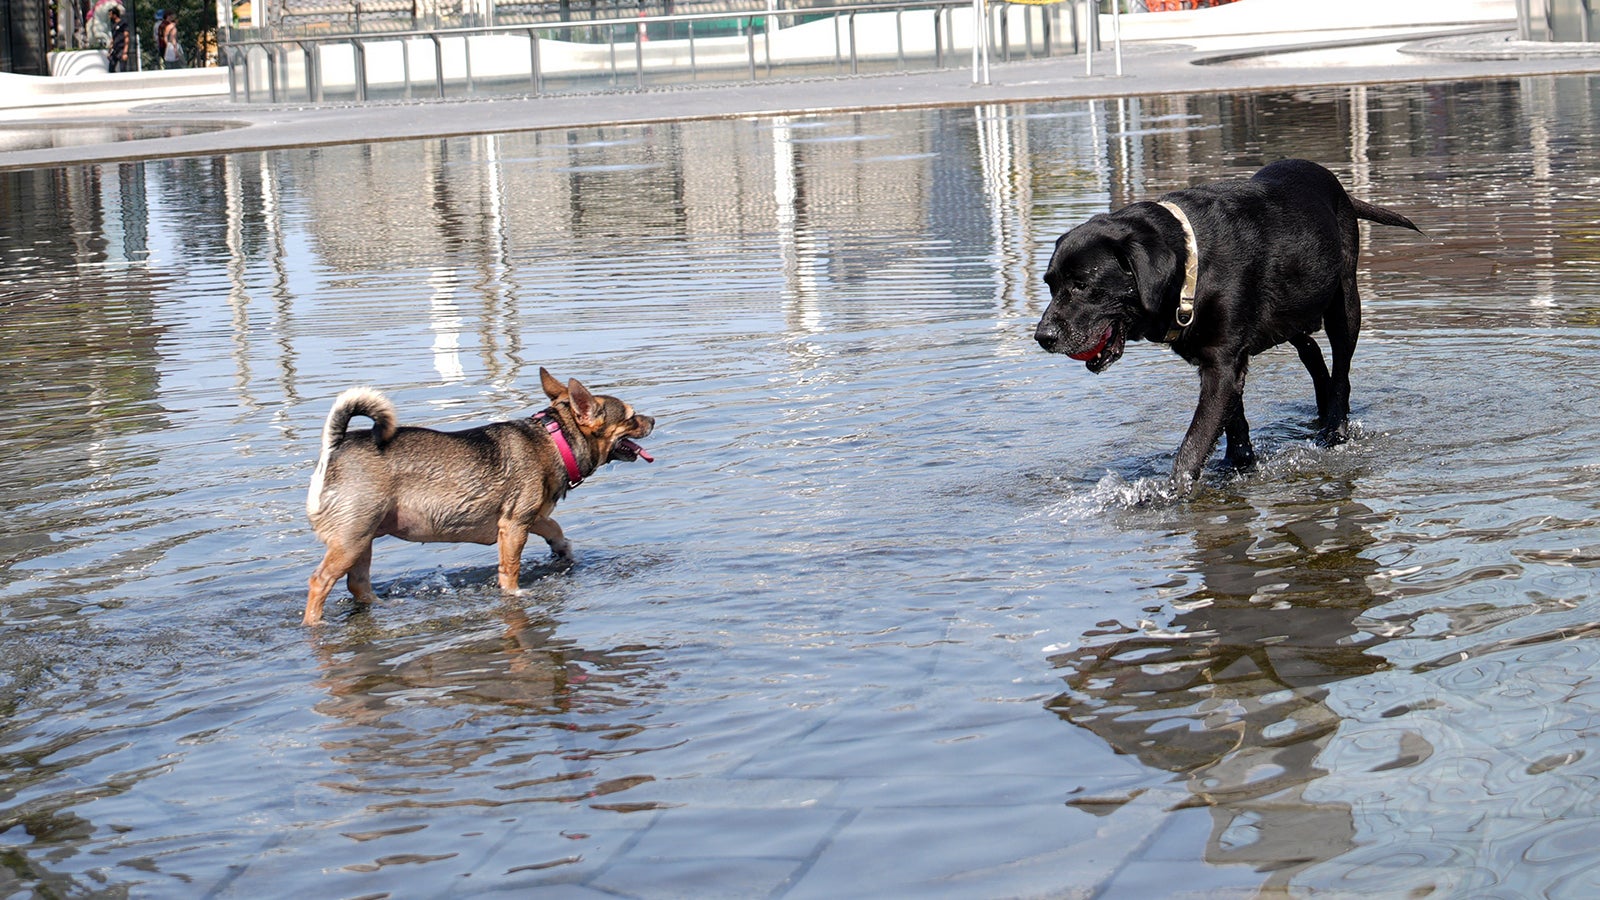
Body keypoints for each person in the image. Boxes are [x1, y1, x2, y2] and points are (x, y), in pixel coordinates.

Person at [106, 6, 130, 73]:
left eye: (110, 14)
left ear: (115, 15)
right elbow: (113, 38)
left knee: (123, 69)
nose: (109, 16)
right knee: (111, 68)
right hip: (115, 49)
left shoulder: (123, 23)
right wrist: (109, 51)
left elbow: (127, 37)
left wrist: (125, 52)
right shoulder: (113, 25)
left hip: (122, 48)